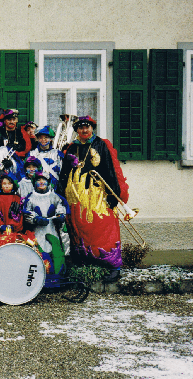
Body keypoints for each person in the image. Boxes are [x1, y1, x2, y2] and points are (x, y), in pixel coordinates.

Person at [56, 116, 128, 276]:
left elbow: (109, 169)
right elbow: (64, 172)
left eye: (87, 127)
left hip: (96, 194)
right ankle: (84, 262)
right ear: (77, 131)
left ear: (92, 128)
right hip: (74, 194)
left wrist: (113, 194)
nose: (84, 130)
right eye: (81, 128)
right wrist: (60, 193)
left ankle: (112, 265)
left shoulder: (100, 144)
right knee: (79, 226)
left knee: (102, 225)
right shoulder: (72, 147)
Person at [23, 171, 68, 275]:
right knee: (39, 254)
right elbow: (26, 213)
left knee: (56, 253)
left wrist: (60, 216)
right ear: (34, 182)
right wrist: (35, 219)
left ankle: (57, 278)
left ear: (48, 182)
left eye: (44, 180)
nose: (41, 182)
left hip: (52, 230)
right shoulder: (30, 198)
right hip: (37, 232)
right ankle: (41, 279)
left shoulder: (55, 197)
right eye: (38, 180)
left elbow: (61, 208)